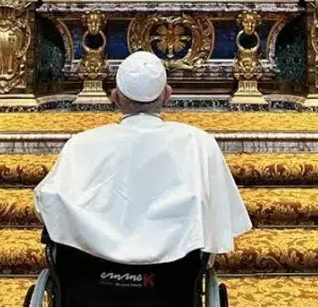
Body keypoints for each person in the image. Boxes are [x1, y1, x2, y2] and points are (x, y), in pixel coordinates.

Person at [34, 51, 252, 265]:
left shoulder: (80, 145)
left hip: (90, 274)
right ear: (167, 95)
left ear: (115, 97)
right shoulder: (199, 143)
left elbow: (48, 201)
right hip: (175, 276)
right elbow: (220, 217)